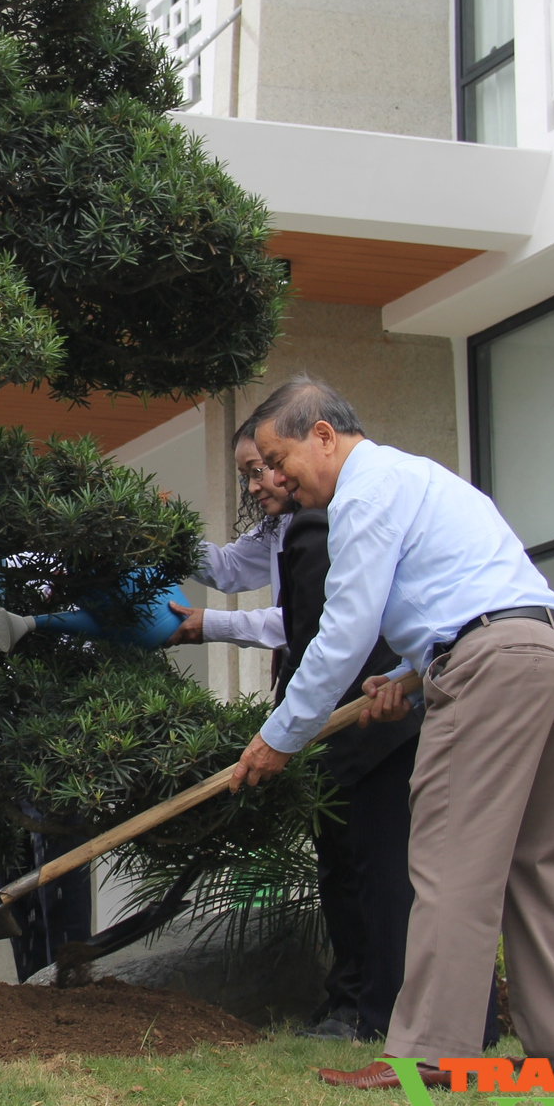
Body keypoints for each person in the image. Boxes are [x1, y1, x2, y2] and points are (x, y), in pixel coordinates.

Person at [232, 376, 554, 1088]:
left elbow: (343, 631)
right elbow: (466, 589)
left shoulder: (364, 493)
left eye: (279, 460)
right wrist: (408, 674)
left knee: (449, 856)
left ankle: (433, 1051)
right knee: (536, 864)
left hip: (493, 665)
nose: (274, 479)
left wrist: (279, 734)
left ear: (323, 434)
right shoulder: (422, 476)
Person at [167, 427, 428, 1041]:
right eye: (252, 474)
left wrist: (281, 731)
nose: (262, 484)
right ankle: (353, 1004)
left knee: (375, 871)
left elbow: (322, 632)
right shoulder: (287, 527)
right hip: (339, 723)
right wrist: (171, 541)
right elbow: (232, 569)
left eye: (269, 467)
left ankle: (377, 1012)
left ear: (316, 445)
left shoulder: (329, 522)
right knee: (345, 866)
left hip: (367, 720)